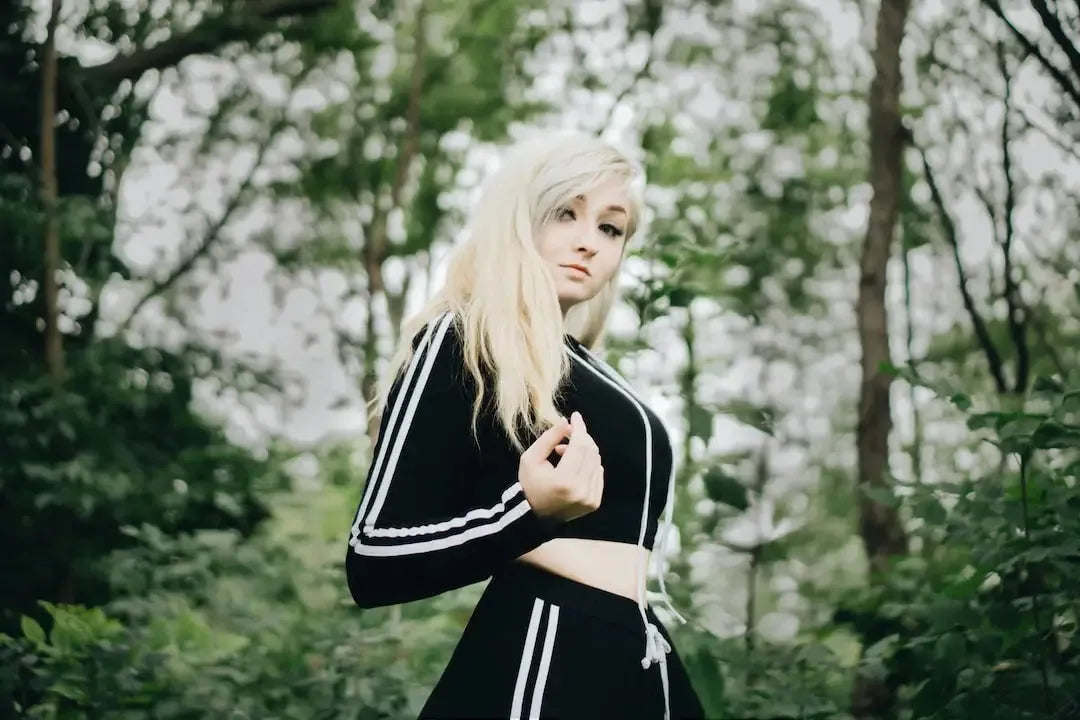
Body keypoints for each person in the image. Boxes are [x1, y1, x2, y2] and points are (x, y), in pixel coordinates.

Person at [345, 131, 705, 720]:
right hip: (539, 665)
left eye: (610, 228)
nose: (588, 243)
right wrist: (527, 513)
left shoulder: (590, 371)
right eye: (566, 214)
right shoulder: (459, 339)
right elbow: (372, 559)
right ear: (521, 218)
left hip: (637, 657)